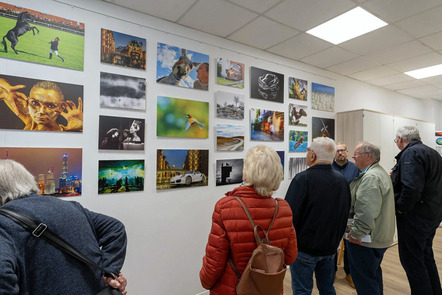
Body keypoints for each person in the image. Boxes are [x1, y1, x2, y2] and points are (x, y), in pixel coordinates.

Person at [0, 159, 127, 294]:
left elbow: (3, 272)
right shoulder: (71, 206)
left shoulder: (3, 223)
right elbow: (115, 228)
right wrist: (110, 272)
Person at [200, 145, 298, 294]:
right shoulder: (283, 208)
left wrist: (205, 281)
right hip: (268, 289)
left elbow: (215, 262)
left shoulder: (225, 207)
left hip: (233, 289)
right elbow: (290, 257)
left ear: (246, 173)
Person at [285, 137, 350, 294]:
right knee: (327, 288)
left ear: (312, 156)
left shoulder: (303, 179)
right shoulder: (342, 180)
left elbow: (289, 216)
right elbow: (345, 213)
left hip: (304, 250)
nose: (307, 154)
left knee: (302, 291)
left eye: (307, 151)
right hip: (330, 248)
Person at [391, 126, 442, 295]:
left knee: (412, 262)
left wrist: (400, 209)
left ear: (400, 139)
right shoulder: (432, 153)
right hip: (431, 214)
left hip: (415, 217)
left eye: (395, 140)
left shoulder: (410, 154)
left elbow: (411, 189)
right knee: (426, 256)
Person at [346, 142, 395, 295]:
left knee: (365, 282)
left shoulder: (371, 177)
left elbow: (366, 211)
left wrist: (356, 233)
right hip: (376, 236)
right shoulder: (377, 173)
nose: (353, 156)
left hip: (367, 240)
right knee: (372, 276)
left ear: (368, 156)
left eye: (356, 153)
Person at [0, 79, 83, 131]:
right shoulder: (31, 122)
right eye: (35, 103)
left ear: (61, 108)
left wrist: (84, 125)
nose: (41, 111)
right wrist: (6, 88)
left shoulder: (64, 132)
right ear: (28, 102)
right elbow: (2, 88)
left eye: (50, 106)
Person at [332, 142, 361, 288]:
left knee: (350, 244)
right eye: (337, 151)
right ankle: (332, 272)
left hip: (351, 213)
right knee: (332, 243)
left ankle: (350, 273)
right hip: (332, 213)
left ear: (347, 152)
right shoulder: (328, 168)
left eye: (342, 150)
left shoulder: (355, 169)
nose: (340, 153)